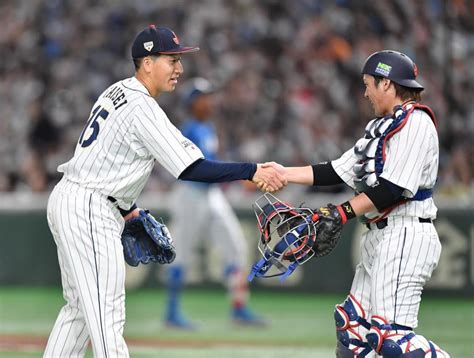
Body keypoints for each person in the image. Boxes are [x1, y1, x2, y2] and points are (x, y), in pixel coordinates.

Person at [44, 25, 286, 358]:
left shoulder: (116, 91)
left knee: (79, 311)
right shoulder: (142, 108)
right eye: (171, 60)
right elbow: (192, 168)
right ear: (146, 62)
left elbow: (107, 156)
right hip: (89, 207)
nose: (179, 68)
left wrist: (128, 206)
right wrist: (253, 170)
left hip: (77, 198)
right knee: (106, 315)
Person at [262, 50, 450, 357]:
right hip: (379, 236)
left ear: (387, 84)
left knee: (393, 341)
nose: (365, 92)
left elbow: (393, 189)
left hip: (407, 234)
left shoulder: (416, 123)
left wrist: (340, 212)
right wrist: (284, 173)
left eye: (368, 84)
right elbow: (335, 170)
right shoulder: (382, 127)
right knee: (353, 329)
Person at [164, 77, 265, 329]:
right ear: (192, 103)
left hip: (212, 195)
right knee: (181, 254)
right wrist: (241, 176)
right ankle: (172, 312)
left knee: (236, 246)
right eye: (203, 97)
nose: (209, 101)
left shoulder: (207, 127)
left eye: (209, 96)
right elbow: (203, 166)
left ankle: (239, 307)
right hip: (190, 194)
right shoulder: (189, 129)